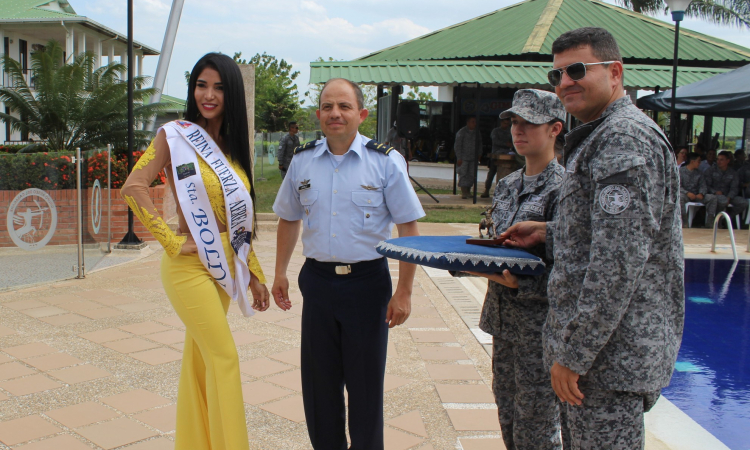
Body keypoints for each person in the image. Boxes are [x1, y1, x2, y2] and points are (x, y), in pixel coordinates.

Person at [499, 27, 684, 450]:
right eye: (557, 75)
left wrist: (574, 354)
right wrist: (548, 230)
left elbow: (617, 264)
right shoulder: (600, 135)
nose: (565, 83)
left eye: (577, 70)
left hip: (605, 360)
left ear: (615, 73)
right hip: (599, 359)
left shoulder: (623, 140)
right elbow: (608, 234)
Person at [121, 53, 270, 450]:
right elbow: (133, 187)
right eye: (201, 85)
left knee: (200, 360)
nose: (208, 94)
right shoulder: (175, 135)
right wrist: (170, 240)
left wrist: (254, 275)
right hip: (189, 267)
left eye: (219, 87)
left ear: (231, 94)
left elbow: (237, 221)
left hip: (224, 262)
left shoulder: (235, 148)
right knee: (224, 357)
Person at [271, 78, 424, 450]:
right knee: (319, 388)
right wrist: (280, 273)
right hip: (318, 283)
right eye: (327, 107)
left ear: (362, 114)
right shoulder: (303, 160)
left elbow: (408, 226)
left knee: (365, 387)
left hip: (367, 284)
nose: (334, 114)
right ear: (319, 114)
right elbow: (289, 218)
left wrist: (403, 291)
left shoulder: (385, 162)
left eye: (343, 106)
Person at [468, 89, 566, 450]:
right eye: (515, 123)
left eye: (530, 124)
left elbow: (571, 269)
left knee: (537, 427)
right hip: (503, 320)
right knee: (507, 414)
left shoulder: (566, 190)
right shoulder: (507, 185)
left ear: (555, 129)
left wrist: (520, 284)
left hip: (540, 327)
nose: (518, 131)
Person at [705, 150, 749, 219]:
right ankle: (717, 219)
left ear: (728, 161)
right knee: (722, 201)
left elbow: (734, 188)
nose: (719, 162)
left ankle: (727, 218)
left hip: (728, 195)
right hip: (715, 195)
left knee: (743, 203)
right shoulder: (710, 171)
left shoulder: (733, 173)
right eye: (718, 159)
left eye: (721, 160)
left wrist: (729, 197)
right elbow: (706, 185)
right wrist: (715, 192)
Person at [680, 152, 718, 226]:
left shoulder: (699, 173)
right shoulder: (680, 171)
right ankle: (684, 222)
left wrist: (701, 193)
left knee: (713, 198)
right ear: (692, 161)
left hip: (697, 195)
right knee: (680, 198)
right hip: (685, 195)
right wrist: (687, 193)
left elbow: (703, 185)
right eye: (698, 161)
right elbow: (677, 186)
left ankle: (709, 223)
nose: (699, 163)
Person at [481, 117, 513, 198]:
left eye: (507, 124)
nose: (506, 125)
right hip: (496, 154)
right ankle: (486, 190)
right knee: (491, 173)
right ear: (501, 122)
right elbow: (495, 141)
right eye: (505, 123)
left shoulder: (510, 131)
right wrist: (506, 144)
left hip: (507, 155)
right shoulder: (496, 131)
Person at [454, 116, 483, 199]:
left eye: (475, 122)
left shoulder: (477, 132)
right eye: (473, 122)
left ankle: (468, 191)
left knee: (471, 175)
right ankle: (464, 192)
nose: (475, 124)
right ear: (468, 122)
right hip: (463, 158)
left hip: (473, 158)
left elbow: (480, 144)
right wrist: (459, 157)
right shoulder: (462, 132)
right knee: (463, 174)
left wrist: (479, 154)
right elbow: (457, 146)